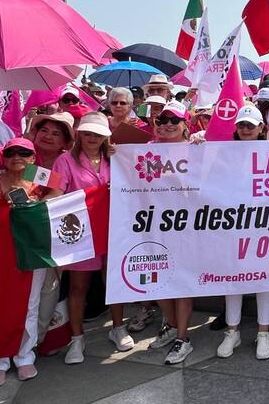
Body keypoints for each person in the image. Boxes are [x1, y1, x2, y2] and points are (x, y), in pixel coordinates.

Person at [46, 112, 135, 365]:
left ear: (106, 136)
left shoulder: (116, 158)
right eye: (87, 132)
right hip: (81, 234)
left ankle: (117, 327)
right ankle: (77, 337)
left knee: (114, 282)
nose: (92, 137)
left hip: (113, 229)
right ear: (79, 133)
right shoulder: (63, 161)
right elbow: (54, 193)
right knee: (78, 287)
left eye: (97, 133)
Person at [0, 138, 46, 388]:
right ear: (3, 157)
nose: (17, 156)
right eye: (11, 152)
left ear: (32, 157)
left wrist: (36, 206)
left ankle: (24, 356)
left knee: (30, 305)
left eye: (24, 152)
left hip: (32, 251)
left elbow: (59, 195)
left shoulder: (39, 176)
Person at [215, 104, 269, 360]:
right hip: (234, 224)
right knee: (233, 277)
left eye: (250, 125)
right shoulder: (224, 153)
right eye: (241, 125)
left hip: (265, 225)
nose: (245, 129)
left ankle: (264, 332)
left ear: (261, 128)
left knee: (265, 278)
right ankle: (233, 331)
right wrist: (195, 143)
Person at [145, 102, 197, 364]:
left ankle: (183, 338)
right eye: (163, 119)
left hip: (184, 226)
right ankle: (172, 325)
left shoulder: (195, 149)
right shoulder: (144, 151)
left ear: (185, 124)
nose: (167, 124)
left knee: (182, 281)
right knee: (158, 281)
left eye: (174, 120)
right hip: (152, 224)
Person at [0, 112, 74, 171]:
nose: (47, 136)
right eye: (44, 130)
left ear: (65, 142)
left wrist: (26, 171)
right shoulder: (22, 150)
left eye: (55, 134)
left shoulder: (70, 163)